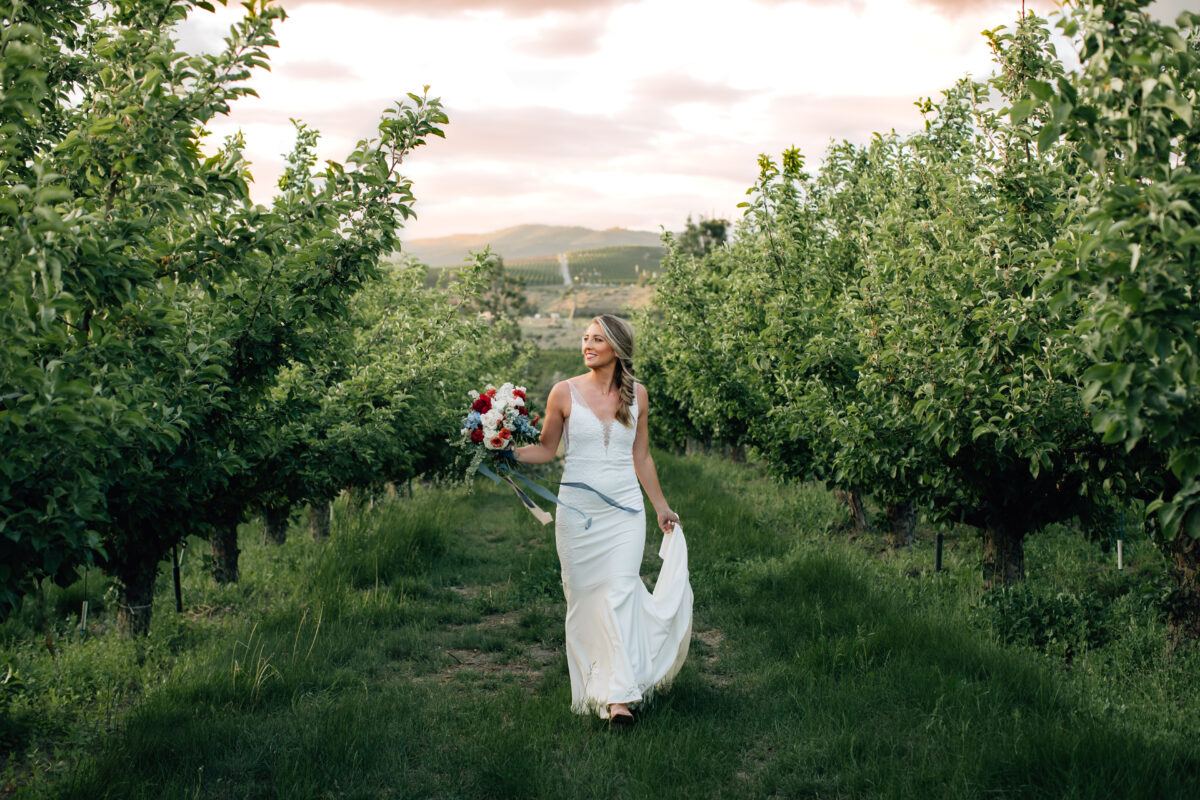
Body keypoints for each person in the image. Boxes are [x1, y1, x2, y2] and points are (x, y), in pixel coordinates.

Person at [513, 314, 693, 727]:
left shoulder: (638, 396)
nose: (587, 345)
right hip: (578, 515)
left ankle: (619, 700)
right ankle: (599, 684)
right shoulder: (563, 392)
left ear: (617, 348)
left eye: (597, 339)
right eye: (585, 338)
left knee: (620, 593)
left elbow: (641, 457)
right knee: (584, 602)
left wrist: (661, 506)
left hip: (625, 513)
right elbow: (545, 450)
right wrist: (503, 450)